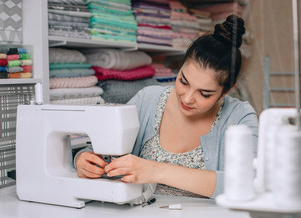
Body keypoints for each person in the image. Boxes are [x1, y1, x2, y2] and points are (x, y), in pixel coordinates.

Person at [74, 14, 258, 199]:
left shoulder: (240, 117)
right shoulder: (147, 99)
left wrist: (156, 171)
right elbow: (100, 147)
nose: (187, 98)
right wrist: (83, 159)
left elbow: (249, 182)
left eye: (204, 94)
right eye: (183, 82)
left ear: (226, 91)